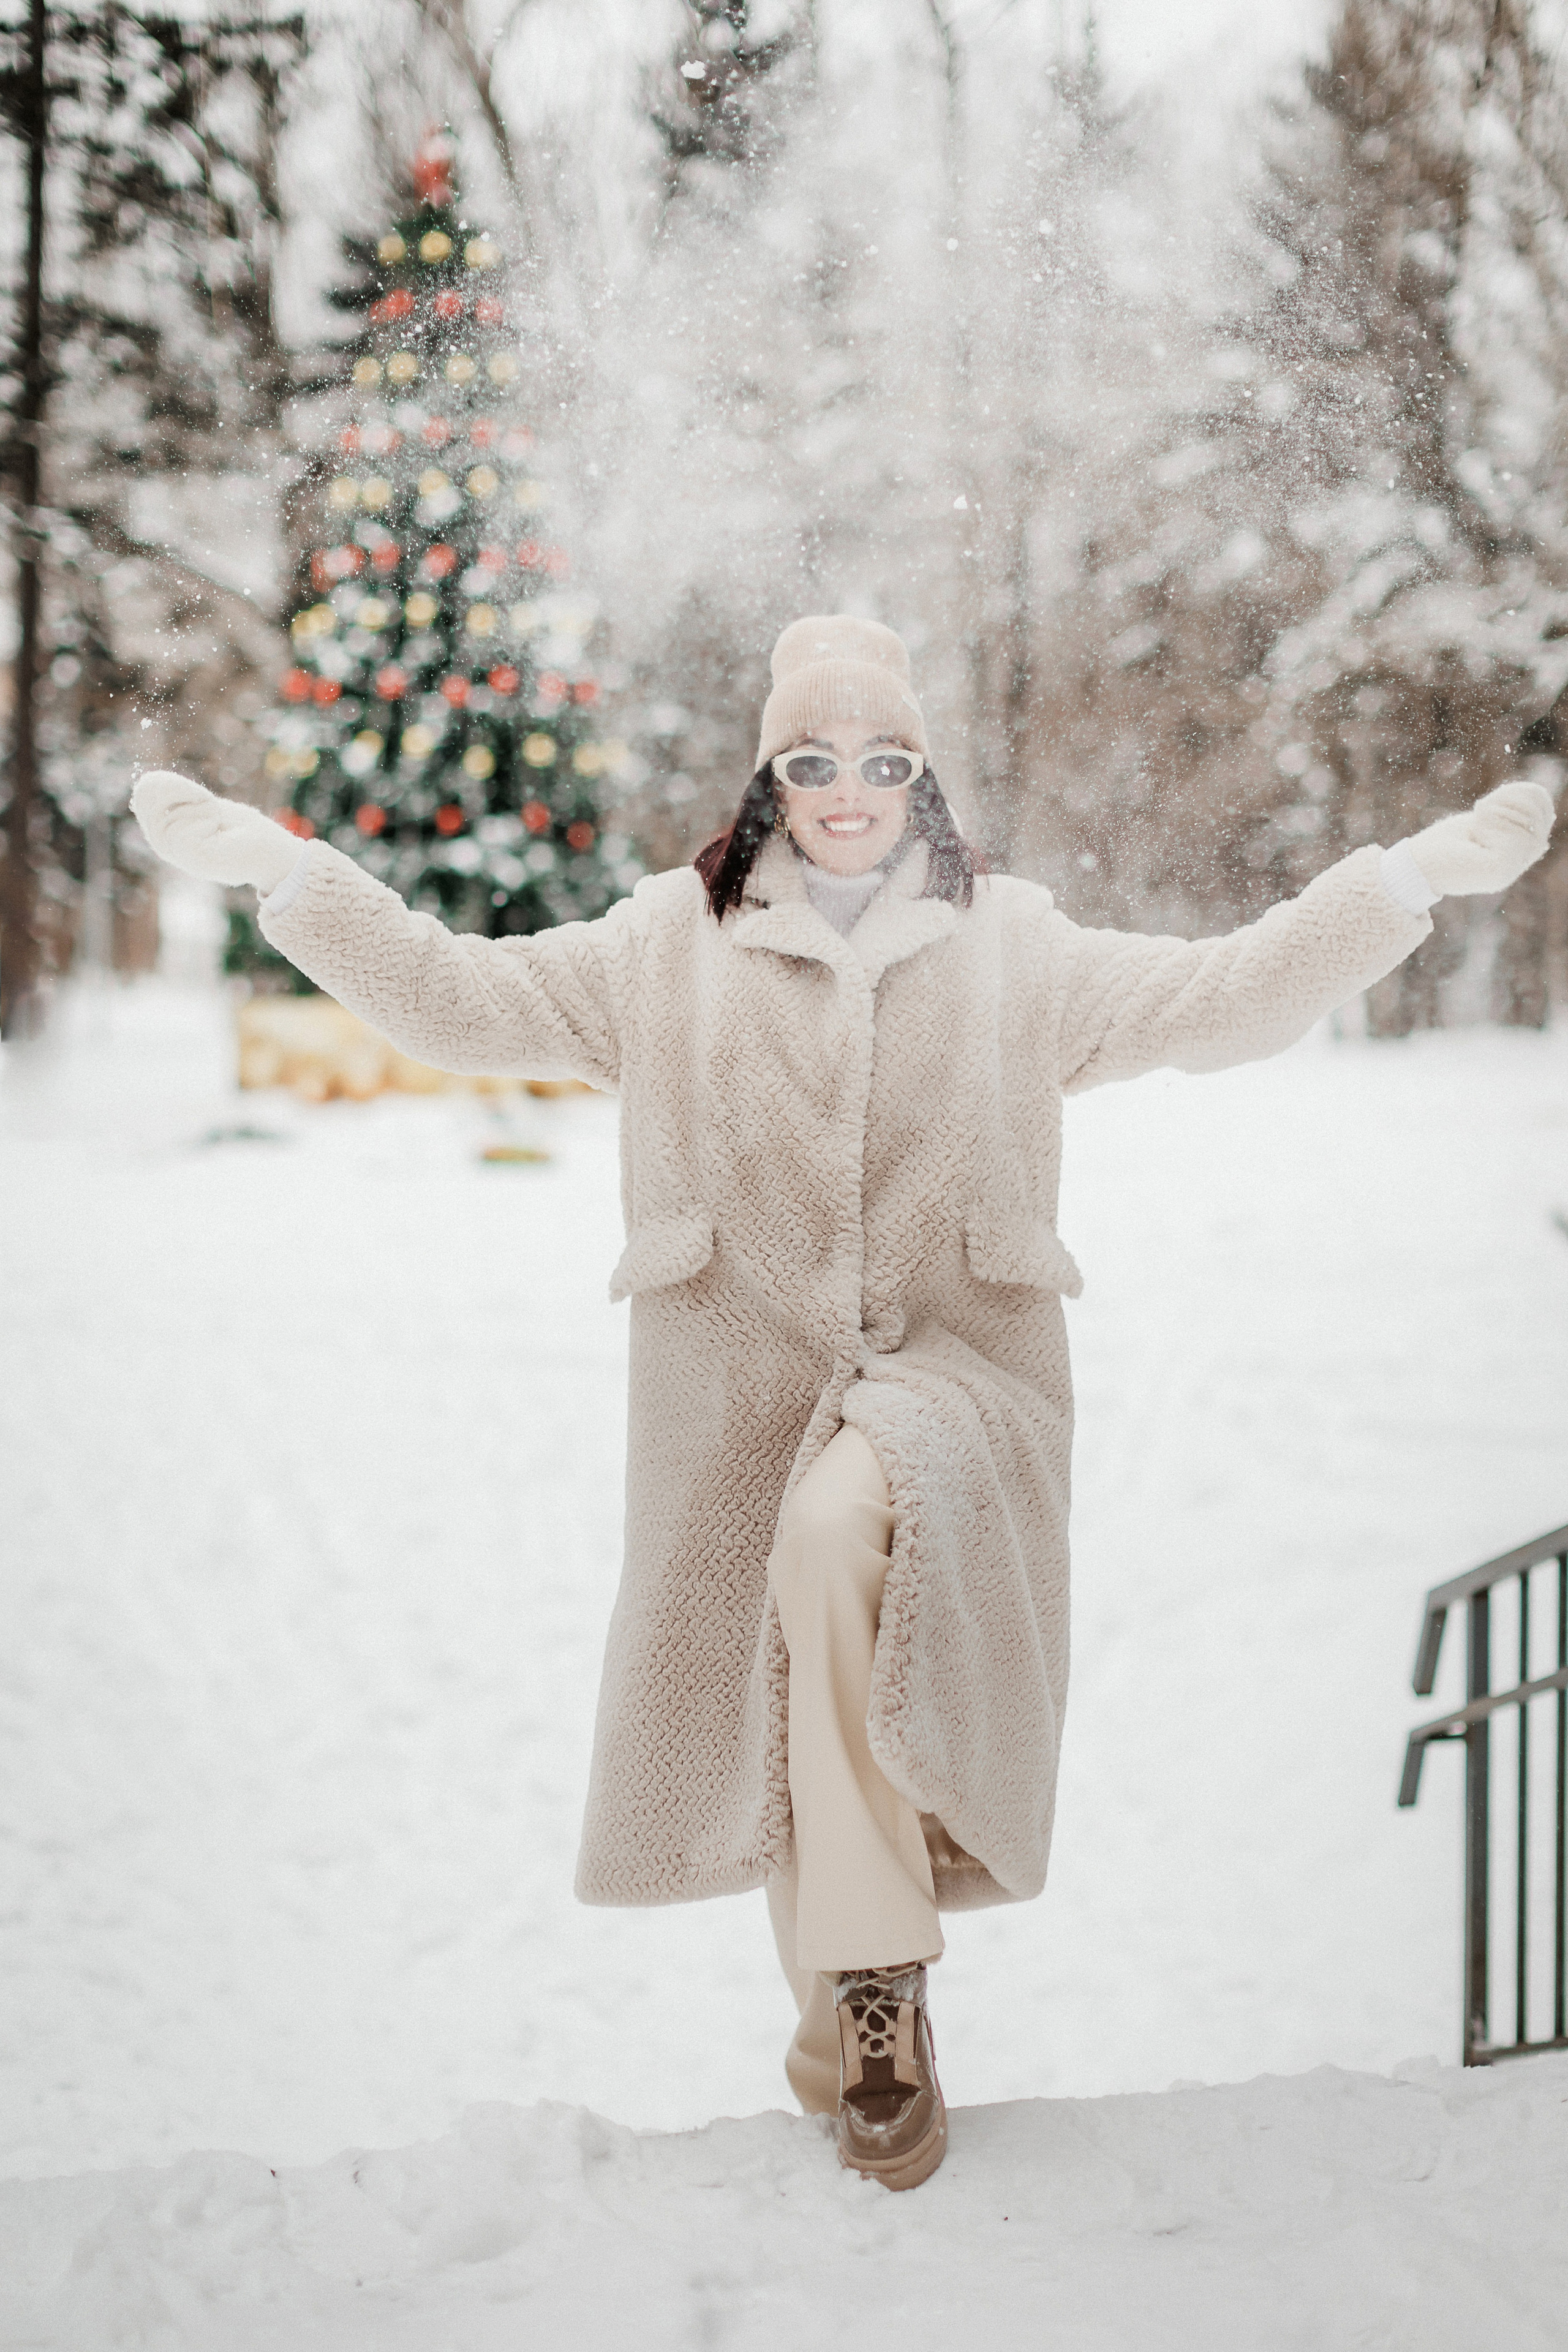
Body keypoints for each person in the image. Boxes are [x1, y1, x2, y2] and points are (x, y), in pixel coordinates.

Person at [133, 614, 1554, 2191]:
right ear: (771, 779)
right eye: (812, 760)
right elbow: (456, 1001)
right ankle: (852, 2035)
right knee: (793, 1693)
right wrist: (291, 876)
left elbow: (1217, 998)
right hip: (736, 1393)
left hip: (959, 1378)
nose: (848, 789)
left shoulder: (1015, 947)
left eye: (882, 760)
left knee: (830, 1543)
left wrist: (1397, 885)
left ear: (918, 776)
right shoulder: (660, 948)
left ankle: (877, 1977)